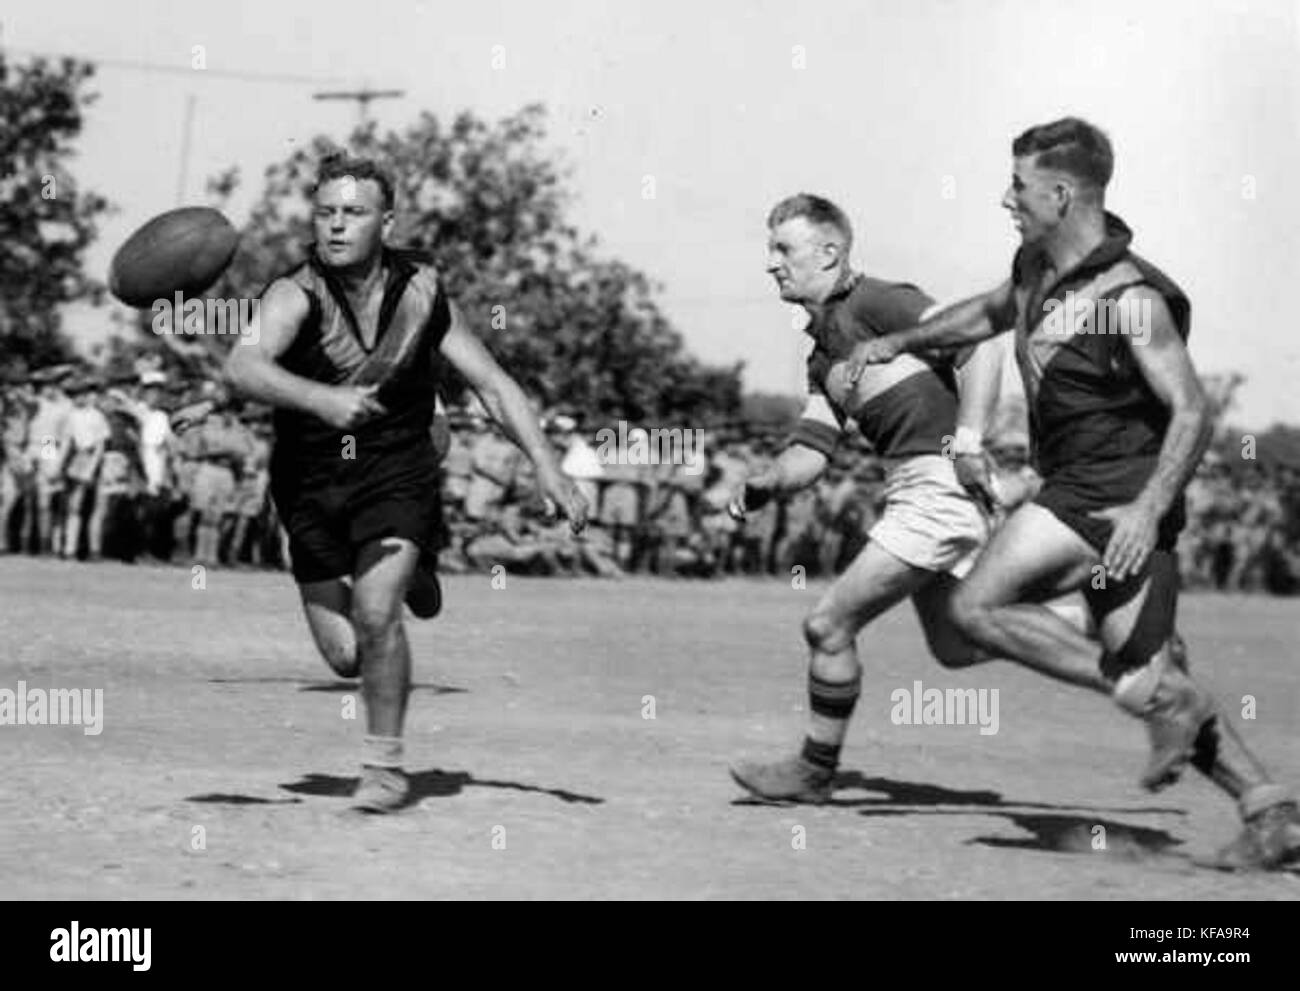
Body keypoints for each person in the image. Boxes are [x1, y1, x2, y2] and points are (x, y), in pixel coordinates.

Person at [847, 117, 1299, 869]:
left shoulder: (1130, 297)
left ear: (1060, 193)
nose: (1005, 198)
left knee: (975, 610)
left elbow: (1192, 408)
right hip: (1089, 493)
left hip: (1112, 494)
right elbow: (988, 313)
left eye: (1018, 186)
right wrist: (903, 341)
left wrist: (1150, 509)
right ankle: (1271, 810)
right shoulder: (1033, 267)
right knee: (1153, 669)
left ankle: (1155, 700)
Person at [223, 152, 586, 813]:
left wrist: (546, 464)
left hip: (397, 468)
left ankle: (384, 766)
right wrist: (319, 398)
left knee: (376, 609)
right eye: (326, 212)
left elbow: (492, 383)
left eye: (353, 213)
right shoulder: (292, 292)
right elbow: (242, 365)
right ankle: (409, 571)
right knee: (343, 655)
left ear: (385, 222)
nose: (335, 226)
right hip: (308, 483)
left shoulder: (422, 289)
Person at [729, 193, 1114, 806]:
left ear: (829, 252)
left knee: (828, 623)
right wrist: (763, 483)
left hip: (937, 488)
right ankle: (1107, 624)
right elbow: (810, 452)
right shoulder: (822, 354)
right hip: (917, 489)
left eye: (784, 249)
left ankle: (813, 772)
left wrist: (967, 438)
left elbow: (980, 344)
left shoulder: (877, 301)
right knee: (958, 646)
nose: (771, 264)